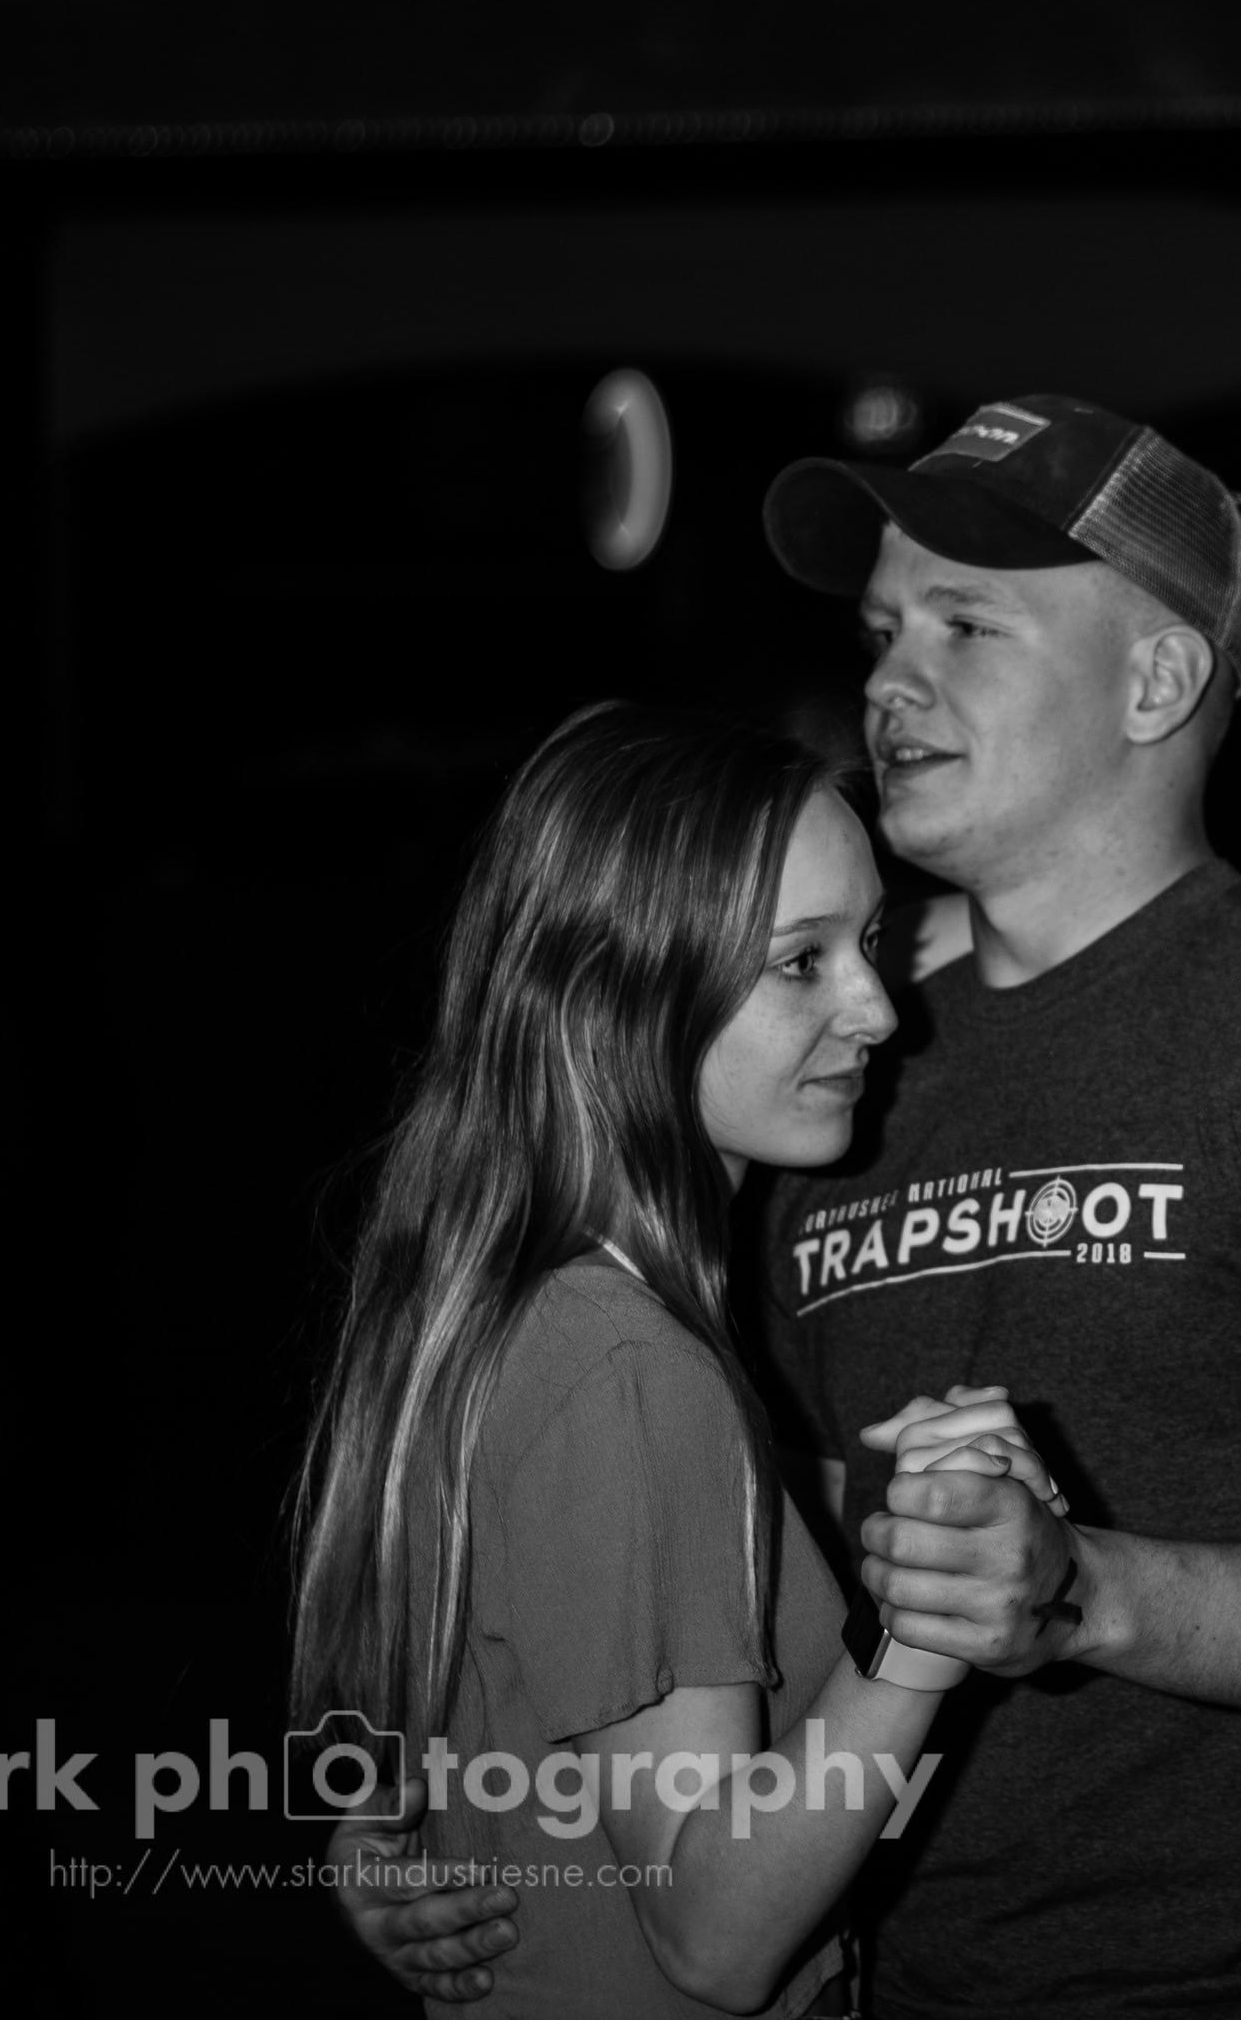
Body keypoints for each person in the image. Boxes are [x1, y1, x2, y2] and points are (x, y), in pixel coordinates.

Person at [355, 396, 1241, 2017]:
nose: (887, 683)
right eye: (880, 631)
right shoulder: (820, 1054)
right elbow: (700, 1536)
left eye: (964, 625)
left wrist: (1083, 1591)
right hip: (904, 1973)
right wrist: (469, 1793)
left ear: (1156, 680)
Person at [297, 702, 1067, 2014]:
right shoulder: (624, 1366)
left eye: (870, 942)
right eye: (799, 961)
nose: (880, 1010)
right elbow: (714, 1939)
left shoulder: (507, 1302)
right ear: (614, 994)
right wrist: (923, 1631)